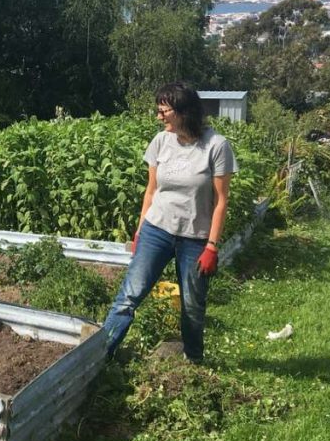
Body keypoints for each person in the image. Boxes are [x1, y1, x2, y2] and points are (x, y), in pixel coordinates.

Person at [102, 83, 238, 363]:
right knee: (129, 295)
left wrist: (212, 246)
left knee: (191, 305)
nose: (159, 117)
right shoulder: (161, 142)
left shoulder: (216, 146)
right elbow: (151, 191)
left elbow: (221, 201)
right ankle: (101, 354)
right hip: (157, 230)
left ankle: (194, 361)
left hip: (195, 238)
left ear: (184, 112)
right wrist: (140, 230)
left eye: (163, 111)